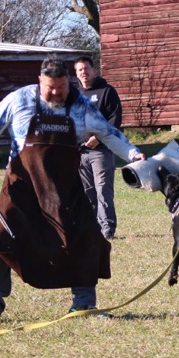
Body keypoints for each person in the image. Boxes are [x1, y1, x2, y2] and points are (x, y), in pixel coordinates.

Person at [0, 55, 146, 322]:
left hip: (64, 188)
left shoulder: (81, 106)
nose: (55, 93)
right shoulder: (20, 100)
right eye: (50, 87)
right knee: (3, 234)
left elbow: (109, 133)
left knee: (86, 236)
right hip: (22, 185)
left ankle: (84, 304)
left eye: (60, 87)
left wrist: (133, 154)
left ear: (68, 82)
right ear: (40, 80)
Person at [74, 56, 122, 240]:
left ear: (93, 70)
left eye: (86, 68)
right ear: (76, 73)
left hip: (101, 151)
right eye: (80, 70)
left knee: (103, 189)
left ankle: (107, 228)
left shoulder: (106, 91)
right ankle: (91, 227)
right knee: (86, 192)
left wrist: (98, 138)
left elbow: (115, 120)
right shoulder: (74, 94)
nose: (83, 72)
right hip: (80, 152)